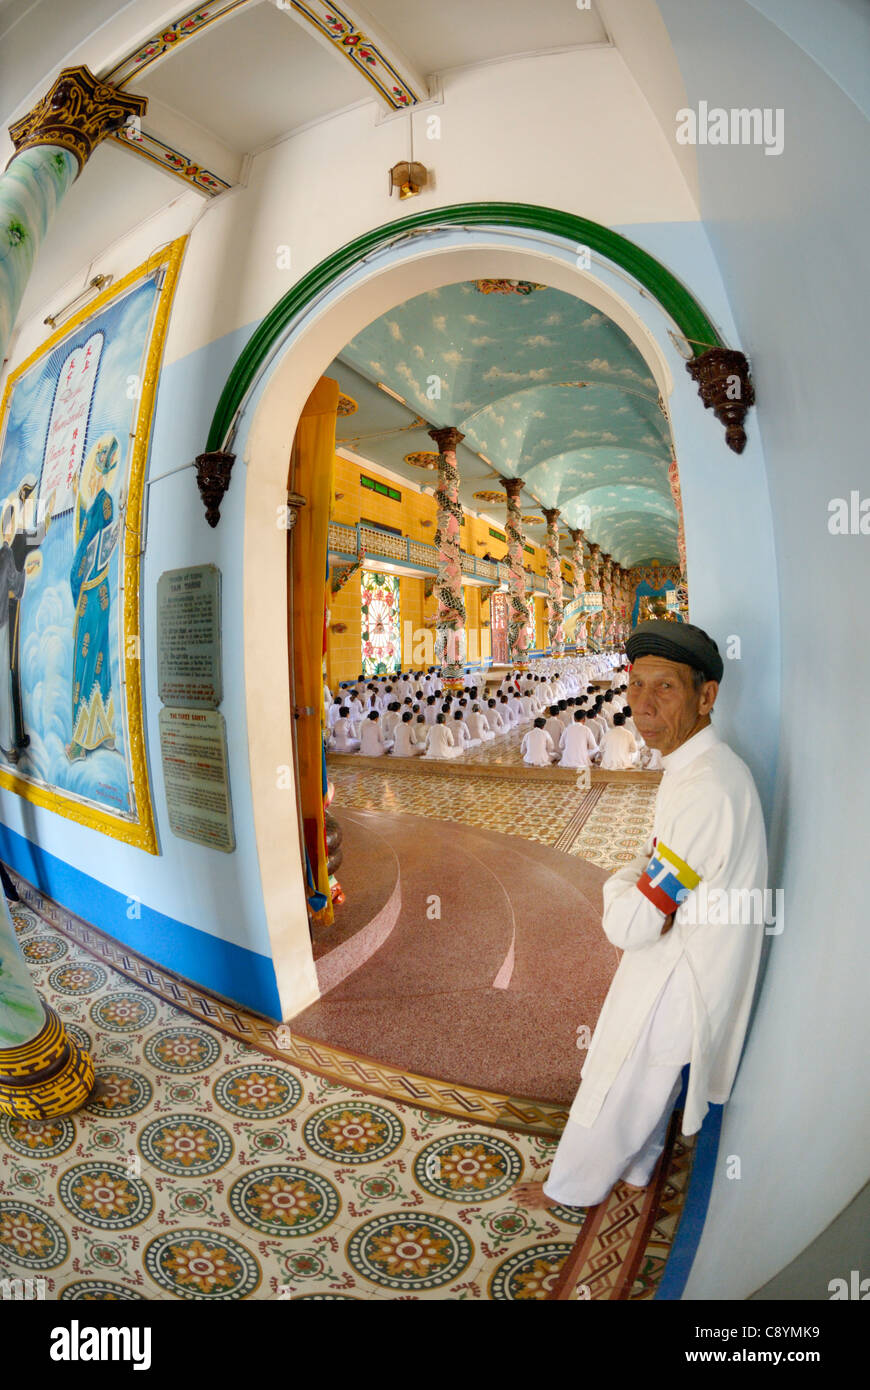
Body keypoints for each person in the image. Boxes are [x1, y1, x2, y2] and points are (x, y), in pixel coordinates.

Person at [512, 619, 767, 1212]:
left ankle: (569, 1187)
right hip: (688, 958)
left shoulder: (706, 787)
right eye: (637, 684)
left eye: (667, 688)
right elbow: (661, 871)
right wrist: (644, 877)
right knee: (651, 1080)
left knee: (620, 1075)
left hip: (681, 970)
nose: (644, 705)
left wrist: (617, 882)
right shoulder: (699, 769)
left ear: (707, 697)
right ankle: (637, 1168)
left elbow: (631, 924)